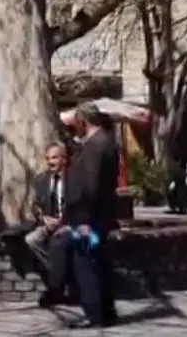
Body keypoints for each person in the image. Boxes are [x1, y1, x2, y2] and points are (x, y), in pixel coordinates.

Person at [62, 103, 119, 329]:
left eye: (76, 123)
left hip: (89, 217)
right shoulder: (107, 142)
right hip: (100, 214)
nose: (75, 128)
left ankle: (95, 314)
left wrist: (84, 219)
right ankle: (106, 313)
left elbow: (91, 186)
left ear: (83, 121)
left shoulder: (96, 146)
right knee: (100, 264)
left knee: (86, 265)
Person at [23, 142, 74, 305]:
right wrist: (43, 218)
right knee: (31, 239)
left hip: (69, 224)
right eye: (48, 158)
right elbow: (35, 205)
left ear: (64, 159)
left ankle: (57, 282)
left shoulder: (74, 178)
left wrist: (64, 221)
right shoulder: (42, 179)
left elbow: (80, 204)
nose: (50, 162)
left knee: (58, 242)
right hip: (49, 223)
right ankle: (59, 272)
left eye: (54, 158)